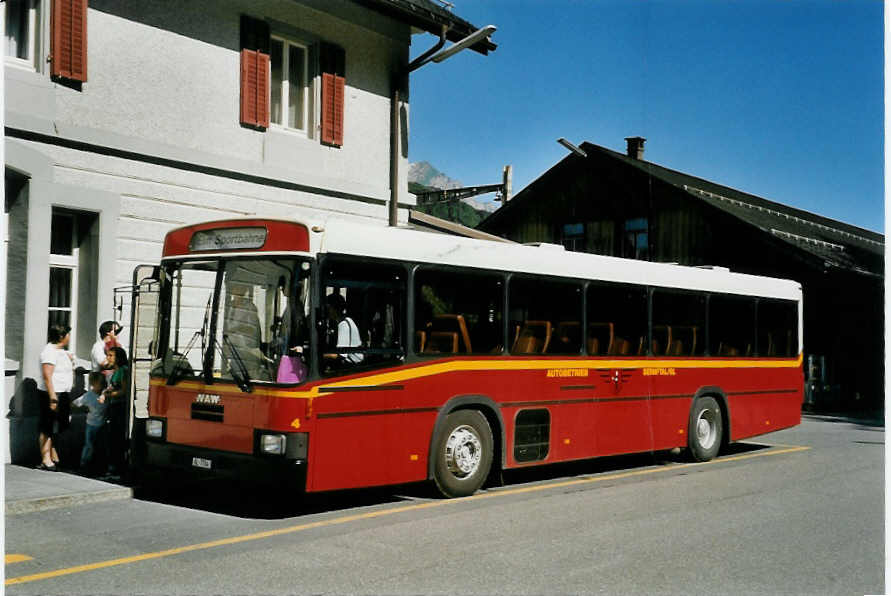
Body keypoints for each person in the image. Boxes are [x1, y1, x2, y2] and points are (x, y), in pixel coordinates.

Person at [36, 324, 75, 471]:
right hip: (52, 393)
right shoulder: (49, 352)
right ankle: (46, 459)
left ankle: (54, 456)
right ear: (61, 337)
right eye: (67, 335)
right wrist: (52, 396)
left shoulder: (60, 351)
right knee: (47, 426)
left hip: (62, 392)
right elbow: (47, 375)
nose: (69, 337)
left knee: (57, 426)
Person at [71, 372, 109, 475]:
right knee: (89, 446)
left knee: (101, 446)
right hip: (91, 424)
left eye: (103, 383)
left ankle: (98, 466)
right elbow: (75, 404)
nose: (102, 385)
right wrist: (84, 409)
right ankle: (84, 465)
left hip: (103, 424)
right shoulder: (88, 396)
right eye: (100, 383)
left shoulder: (105, 394)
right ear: (93, 384)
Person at [104, 346, 129, 477]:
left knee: (117, 438)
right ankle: (113, 467)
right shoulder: (115, 371)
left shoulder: (124, 370)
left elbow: (124, 391)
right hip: (114, 406)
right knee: (112, 437)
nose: (108, 358)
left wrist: (109, 394)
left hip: (120, 407)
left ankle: (118, 469)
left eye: (111, 355)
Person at [324, 293, 363, 365]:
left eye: (328, 308)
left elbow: (339, 355)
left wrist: (319, 356)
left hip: (351, 366)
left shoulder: (344, 325)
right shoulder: (342, 322)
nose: (327, 311)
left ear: (334, 308)